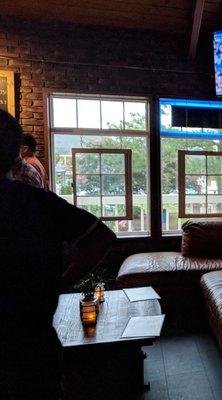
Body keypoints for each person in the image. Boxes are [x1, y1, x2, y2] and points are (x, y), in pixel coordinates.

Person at [0, 110, 115, 399]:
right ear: (16, 155)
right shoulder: (36, 203)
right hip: (34, 343)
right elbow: (103, 237)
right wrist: (63, 283)